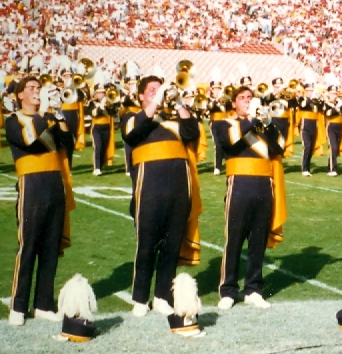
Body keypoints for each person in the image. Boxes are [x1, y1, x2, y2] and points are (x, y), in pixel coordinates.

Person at [122, 73, 201, 317]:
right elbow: (130, 133)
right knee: (147, 245)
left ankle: (162, 296)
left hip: (178, 187)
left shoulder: (175, 119)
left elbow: (193, 132)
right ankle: (140, 298)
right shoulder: (132, 117)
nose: (158, 93)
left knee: (171, 245)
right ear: (140, 96)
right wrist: (157, 102)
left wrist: (178, 102)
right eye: (151, 91)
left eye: (160, 89)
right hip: (150, 189)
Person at [4, 75, 75, 326]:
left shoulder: (49, 120)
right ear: (20, 95)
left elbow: (69, 145)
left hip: (55, 185)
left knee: (50, 249)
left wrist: (60, 115)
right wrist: (44, 112)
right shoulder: (13, 121)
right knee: (29, 246)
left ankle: (43, 304)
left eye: (38, 88)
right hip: (31, 186)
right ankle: (18, 306)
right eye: (31, 89)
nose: (36, 91)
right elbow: (28, 140)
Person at [217, 86, 286, 310]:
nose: (247, 101)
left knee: (258, 241)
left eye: (250, 98)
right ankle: (228, 290)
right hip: (239, 183)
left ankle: (253, 289)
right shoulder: (224, 123)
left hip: (264, 184)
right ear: (234, 103)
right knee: (234, 239)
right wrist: (251, 119)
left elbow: (279, 148)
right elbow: (230, 143)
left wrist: (268, 124)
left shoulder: (263, 125)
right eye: (243, 98)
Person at [88, 83, 119, 175]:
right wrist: (101, 106)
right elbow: (94, 113)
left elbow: (114, 113)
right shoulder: (92, 102)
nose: (102, 94)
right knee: (98, 147)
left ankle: (100, 167)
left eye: (103, 93)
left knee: (104, 148)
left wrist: (112, 104)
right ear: (95, 94)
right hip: (97, 128)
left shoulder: (108, 102)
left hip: (107, 128)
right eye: (100, 93)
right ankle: (96, 168)